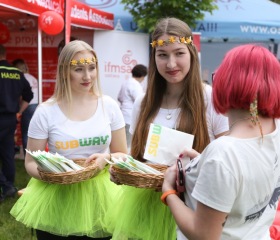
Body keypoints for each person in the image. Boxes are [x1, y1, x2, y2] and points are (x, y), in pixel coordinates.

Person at [107, 17, 229, 240]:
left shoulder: (210, 98)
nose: (171, 64)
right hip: (146, 208)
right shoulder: (142, 103)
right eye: (162, 55)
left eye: (179, 53)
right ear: (153, 58)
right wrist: (122, 170)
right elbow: (136, 157)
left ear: (191, 52)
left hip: (195, 210)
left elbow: (229, 160)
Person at [10, 40, 127, 239]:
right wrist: (54, 176)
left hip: (103, 199)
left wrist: (105, 160)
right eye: (79, 69)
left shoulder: (109, 106)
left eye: (91, 68)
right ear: (65, 71)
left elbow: (123, 154)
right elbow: (30, 163)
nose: (87, 76)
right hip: (57, 197)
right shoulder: (46, 111)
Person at [162, 44, 280, 240]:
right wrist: (203, 164)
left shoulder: (223, 155)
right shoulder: (275, 129)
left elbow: (203, 235)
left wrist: (169, 192)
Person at [0, 44, 33, 203]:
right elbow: (29, 95)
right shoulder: (17, 73)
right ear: (5, 54)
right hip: (10, 118)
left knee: (7, 152)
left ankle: (5, 186)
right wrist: (19, 112)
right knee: (7, 153)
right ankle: (10, 186)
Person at [12, 58, 39, 157]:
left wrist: (19, 110)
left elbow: (21, 96)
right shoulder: (32, 78)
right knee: (35, 133)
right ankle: (35, 155)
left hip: (27, 106)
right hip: (37, 106)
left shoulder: (21, 78)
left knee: (26, 133)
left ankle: (27, 157)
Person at [117, 64, 147, 147]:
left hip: (122, 115)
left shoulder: (126, 82)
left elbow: (119, 97)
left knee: (122, 143)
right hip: (130, 117)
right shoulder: (136, 85)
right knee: (127, 145)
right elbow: (141, 102)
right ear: (142, 76)